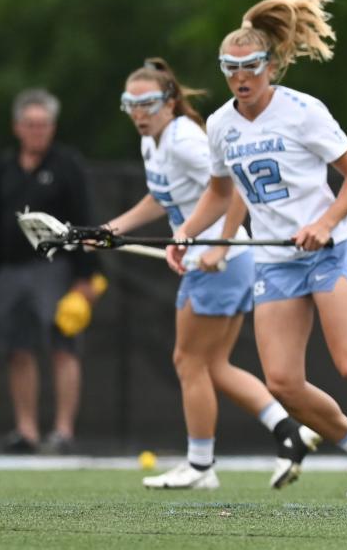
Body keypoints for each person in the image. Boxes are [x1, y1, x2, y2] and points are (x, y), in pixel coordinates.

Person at [165, 0, 347, 498]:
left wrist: (325, 220)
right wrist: (188, 234)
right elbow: (220, 193)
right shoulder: (221, 124)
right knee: (283, 384)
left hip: (328, 249)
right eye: (230, 70)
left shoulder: (302, 111)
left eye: (250, 67)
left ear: (269, 66)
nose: (240, 78)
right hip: (275, 261)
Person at [106, 58, 319, 490]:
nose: (139, 113)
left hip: (220, 259)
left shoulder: (184, 138)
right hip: (220, 259)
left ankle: (201, 466)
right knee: (213, 365)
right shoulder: (154, 142)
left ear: (169, 102)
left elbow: (234, 187)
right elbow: (160, 197)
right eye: (131, 104)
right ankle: (288, 430)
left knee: (188, 362)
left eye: (147, 103)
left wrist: (219, 244)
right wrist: (113, 229)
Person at [0, 88, 104, 454]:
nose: (37, 131)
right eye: (30, 124)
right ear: (18, 127)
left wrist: (85, 276)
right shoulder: (6, 167)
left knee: (62, 347)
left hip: (56, 270)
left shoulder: (67, 165)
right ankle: (26, 429)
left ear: (53, 127)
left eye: (44, 124)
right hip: (10, 272)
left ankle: (63, 430)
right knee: (18, 349)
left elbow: (85, 218)